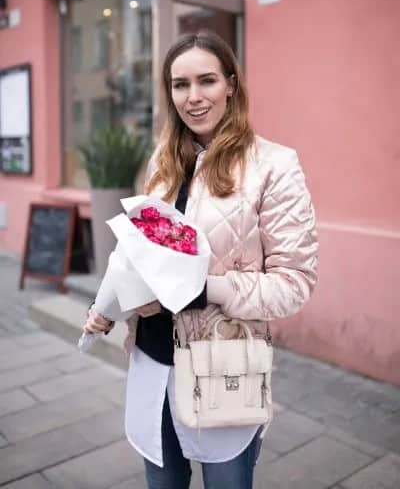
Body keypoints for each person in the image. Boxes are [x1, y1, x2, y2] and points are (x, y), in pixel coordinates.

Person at [84, 29, 318, 489]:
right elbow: (136, 250)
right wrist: (109, 305)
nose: (193, 97)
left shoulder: (274, 165)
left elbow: (294, 283)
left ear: (231, 84)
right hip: (151, 359)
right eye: (180, 84)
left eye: (206, 80)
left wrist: (203, 289)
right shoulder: (162, 162)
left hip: (224, 368)